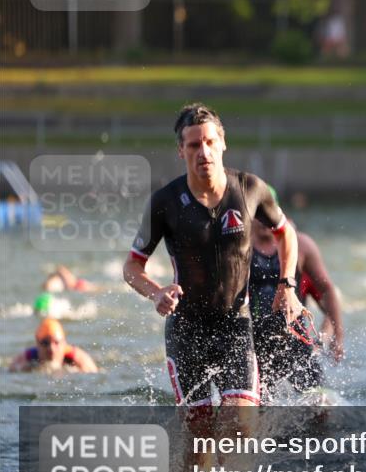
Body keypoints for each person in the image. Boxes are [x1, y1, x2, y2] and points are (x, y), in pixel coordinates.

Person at [122, 103, 304, 410]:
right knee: (200, 438)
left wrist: (287, 286)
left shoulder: (249, 188)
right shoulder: (164, 202)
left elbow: (286, 233)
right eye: (193, 145)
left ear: (222, 144)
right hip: (187, 329)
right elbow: (131, 266)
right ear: (181, 150)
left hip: (236, 324)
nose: (203, 152)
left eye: (209, 143)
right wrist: (156, 293)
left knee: (242, 423)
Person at [249, 200, 346, 401]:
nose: (265, 223)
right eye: (260, 217)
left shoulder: (301, 245)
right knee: (255, 408)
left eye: (270, 215)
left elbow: (327, 290)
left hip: (295, 338)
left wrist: (336, 334)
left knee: (320, 404)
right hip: (252, 340)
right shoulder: (238, 244)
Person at [10, 318, 98, 373]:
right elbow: (11, 371)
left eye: (56, 343)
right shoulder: (27, 357)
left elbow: (94, 373)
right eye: (45, 343)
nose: (51, 348)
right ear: (37, 343)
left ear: (64, 342)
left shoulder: (76, 357)